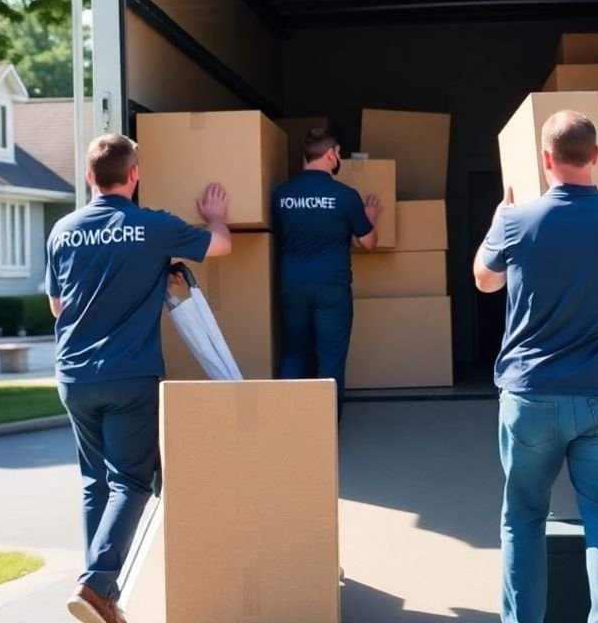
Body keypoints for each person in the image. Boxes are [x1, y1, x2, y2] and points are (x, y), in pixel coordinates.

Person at [474, 110, 598, 623]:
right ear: (597, 156)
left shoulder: (516, 221)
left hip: (532, 398)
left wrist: (498, 220)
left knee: (523, 518)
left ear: (546, 159)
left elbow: (484, 280)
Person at [47, 133, 233, 623]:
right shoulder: (152, 226)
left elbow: (57, 306)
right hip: (130, 374)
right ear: (134, 176)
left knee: (95, 483)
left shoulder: (62, 230)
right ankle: (95, 585)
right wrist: (214, 216)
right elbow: (221, 247)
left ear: (89, 177)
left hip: (74, 375)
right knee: (130, 481)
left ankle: (100, 594)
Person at [273, 127, 384, 418]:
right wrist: (370, 218)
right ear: (332, 154)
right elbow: (369, 242)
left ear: (304, 156)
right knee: (330, 358)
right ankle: (324, 428)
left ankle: (285, 423)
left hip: (292, 285)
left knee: (295, 352)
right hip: (332, 287)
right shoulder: (345, 196)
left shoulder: (281, 195)